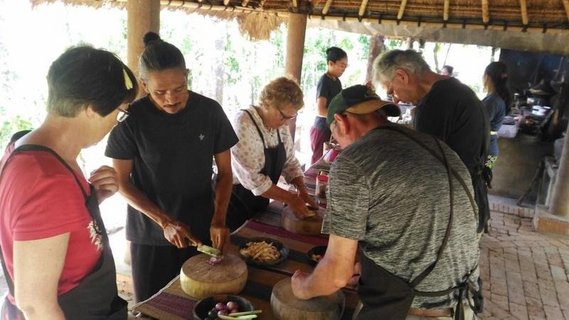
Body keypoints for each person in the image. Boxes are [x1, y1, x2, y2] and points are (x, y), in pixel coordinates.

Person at [291, 85, 482, 320]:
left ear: (341, 122)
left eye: (336, 137)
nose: (339, 145)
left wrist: (303, 287)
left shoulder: (353, 162)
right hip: (464, 306)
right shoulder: (437, 146)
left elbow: (336, 274)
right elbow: (421, 222)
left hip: (411, 311)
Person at [0, 46, 138, 319]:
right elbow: (35, 305)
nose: (115, 123)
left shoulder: (31, 147)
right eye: (119, 113)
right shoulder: (46, 180)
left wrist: (90, 200)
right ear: (91, 109)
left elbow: (48, 221)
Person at [105, 32, 238, 303]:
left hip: (202, 229)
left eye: (179, 88)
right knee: (156, 307)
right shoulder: (131, 121)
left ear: (187, 76)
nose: (171, 99)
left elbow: (225, 173)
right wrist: (165, 221)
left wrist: (219, 219)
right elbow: (121, 181)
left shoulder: (210, 112)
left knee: (202, 304)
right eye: (160, 92)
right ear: (143, 84)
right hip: (151, 236)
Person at [373, 49, 491, 233]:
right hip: (472, 196)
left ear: (401, 75)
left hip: (454, 205)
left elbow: (424, 169)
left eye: (391, 89)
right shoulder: (458, 89)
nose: (395, 97)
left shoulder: (433, 104)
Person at [227, 77, 317, 231]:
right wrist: (291, 198)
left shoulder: (279, 125)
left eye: (291, 117)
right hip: (234, 200)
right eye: (283, 116)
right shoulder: (244, 122)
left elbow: (290, 162)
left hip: (262, 199)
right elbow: (254, 179)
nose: (286, 122)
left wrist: (301, 190)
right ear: (267, 103)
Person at [310, 46, 348, 164]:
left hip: (331, 127)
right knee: (318, 163)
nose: (344, 69)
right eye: (342, 65)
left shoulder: (337, 81)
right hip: (322, 128)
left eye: (345, 66)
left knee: (327, 162)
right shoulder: (324, 81)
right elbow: (320, 110)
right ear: (331, 63)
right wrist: (338, 117)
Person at [482, 61, 510, 172]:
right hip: (491, 150)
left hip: (486, 150)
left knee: (479, 181)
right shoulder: (495, 99)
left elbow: (479, 123)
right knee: (484, 178)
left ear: (487, 77)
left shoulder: (493, 101)